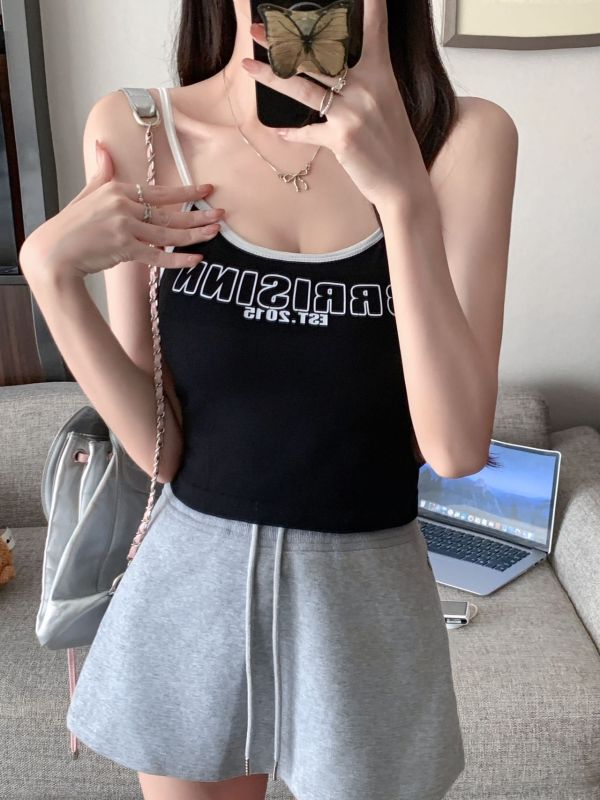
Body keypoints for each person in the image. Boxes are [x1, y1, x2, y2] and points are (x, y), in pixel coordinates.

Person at [19, 0, 518, 798]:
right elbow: (161, 450)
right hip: (190, 591)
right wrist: (50, 278)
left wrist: (404, 199)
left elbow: (456, 448)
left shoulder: (465, 139)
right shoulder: (140, 131)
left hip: (366, 604)